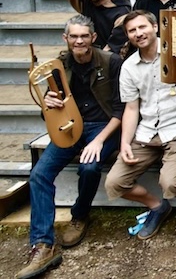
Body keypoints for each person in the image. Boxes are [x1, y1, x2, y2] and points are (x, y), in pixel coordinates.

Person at [16, 16, 124, 279]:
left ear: (93, 37)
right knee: (40, 174)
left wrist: (99, 140)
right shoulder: (59, 66)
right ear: (66, 38)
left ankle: (80, 215)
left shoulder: (111, 62)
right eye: (74, 36)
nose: (79, 41)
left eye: (84, 36)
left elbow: (122, 110)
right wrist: (48, 104)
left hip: (104, 125)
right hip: (70, 125)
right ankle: (43, 244)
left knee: (89, 167)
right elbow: (49, 114)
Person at [104, 11, 176, 240]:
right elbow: (131, 108)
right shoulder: (129, 67)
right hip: (147, 131)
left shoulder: (175, 51)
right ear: (128, 36)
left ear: (155, 27)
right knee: (114, 183)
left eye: (142, 27)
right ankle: (157, 207)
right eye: (132, 31)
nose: (138, 33)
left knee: (170, 183)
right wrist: (125, 142)